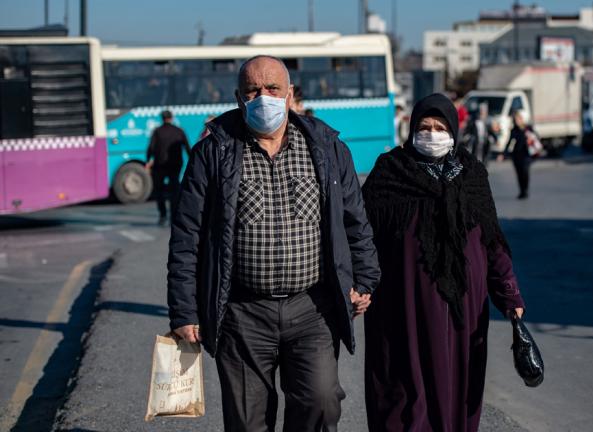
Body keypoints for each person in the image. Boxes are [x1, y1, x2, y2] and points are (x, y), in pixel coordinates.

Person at [166, 55, 381, 432]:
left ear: (290, 94)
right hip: (241, 313)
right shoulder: (212, 153)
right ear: (238, 97)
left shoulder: (328, 149)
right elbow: (187, 237)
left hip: (312, 309)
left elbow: (354, 220)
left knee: (321, 402)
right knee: (247, 422)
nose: (263, 97)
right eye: (253, 90)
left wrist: (364, 280)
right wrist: (185, 311)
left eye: (272, 89)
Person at [362, 93, 525, 432]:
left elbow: (492, 242)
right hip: (403, 312)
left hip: (461, 313)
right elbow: (362, 241)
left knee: (456, 394)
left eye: (439, 127)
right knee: (405, 400)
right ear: (411, 129)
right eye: (424, 127)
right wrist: (358, 286)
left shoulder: (471, 175)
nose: (432, 134)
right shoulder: (389, 173)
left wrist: (509, 295)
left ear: (453, 129)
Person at [145, 110, 190, 225]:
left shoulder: (157, 131)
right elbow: (187, 147)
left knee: (159, 191)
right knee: (174, 190)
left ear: (162, 118)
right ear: (172, 118)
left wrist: (148, 160)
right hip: (175, 165)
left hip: (160, 165)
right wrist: (192, 161)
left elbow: (151, 148)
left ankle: (163, 215)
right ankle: (173, 216)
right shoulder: (179, 131)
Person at [504, 110, 535, 199]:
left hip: (526, 155)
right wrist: (504, 153)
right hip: (516, 155)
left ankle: (525, 190)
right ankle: (521, 191)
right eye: (515, 120)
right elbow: (509, 142)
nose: (517, 121)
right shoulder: (514, 130)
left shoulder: (528, 128)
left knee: (525, 172)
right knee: (519, 174)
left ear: (521, 119)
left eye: (518, 119)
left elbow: (535, 137)